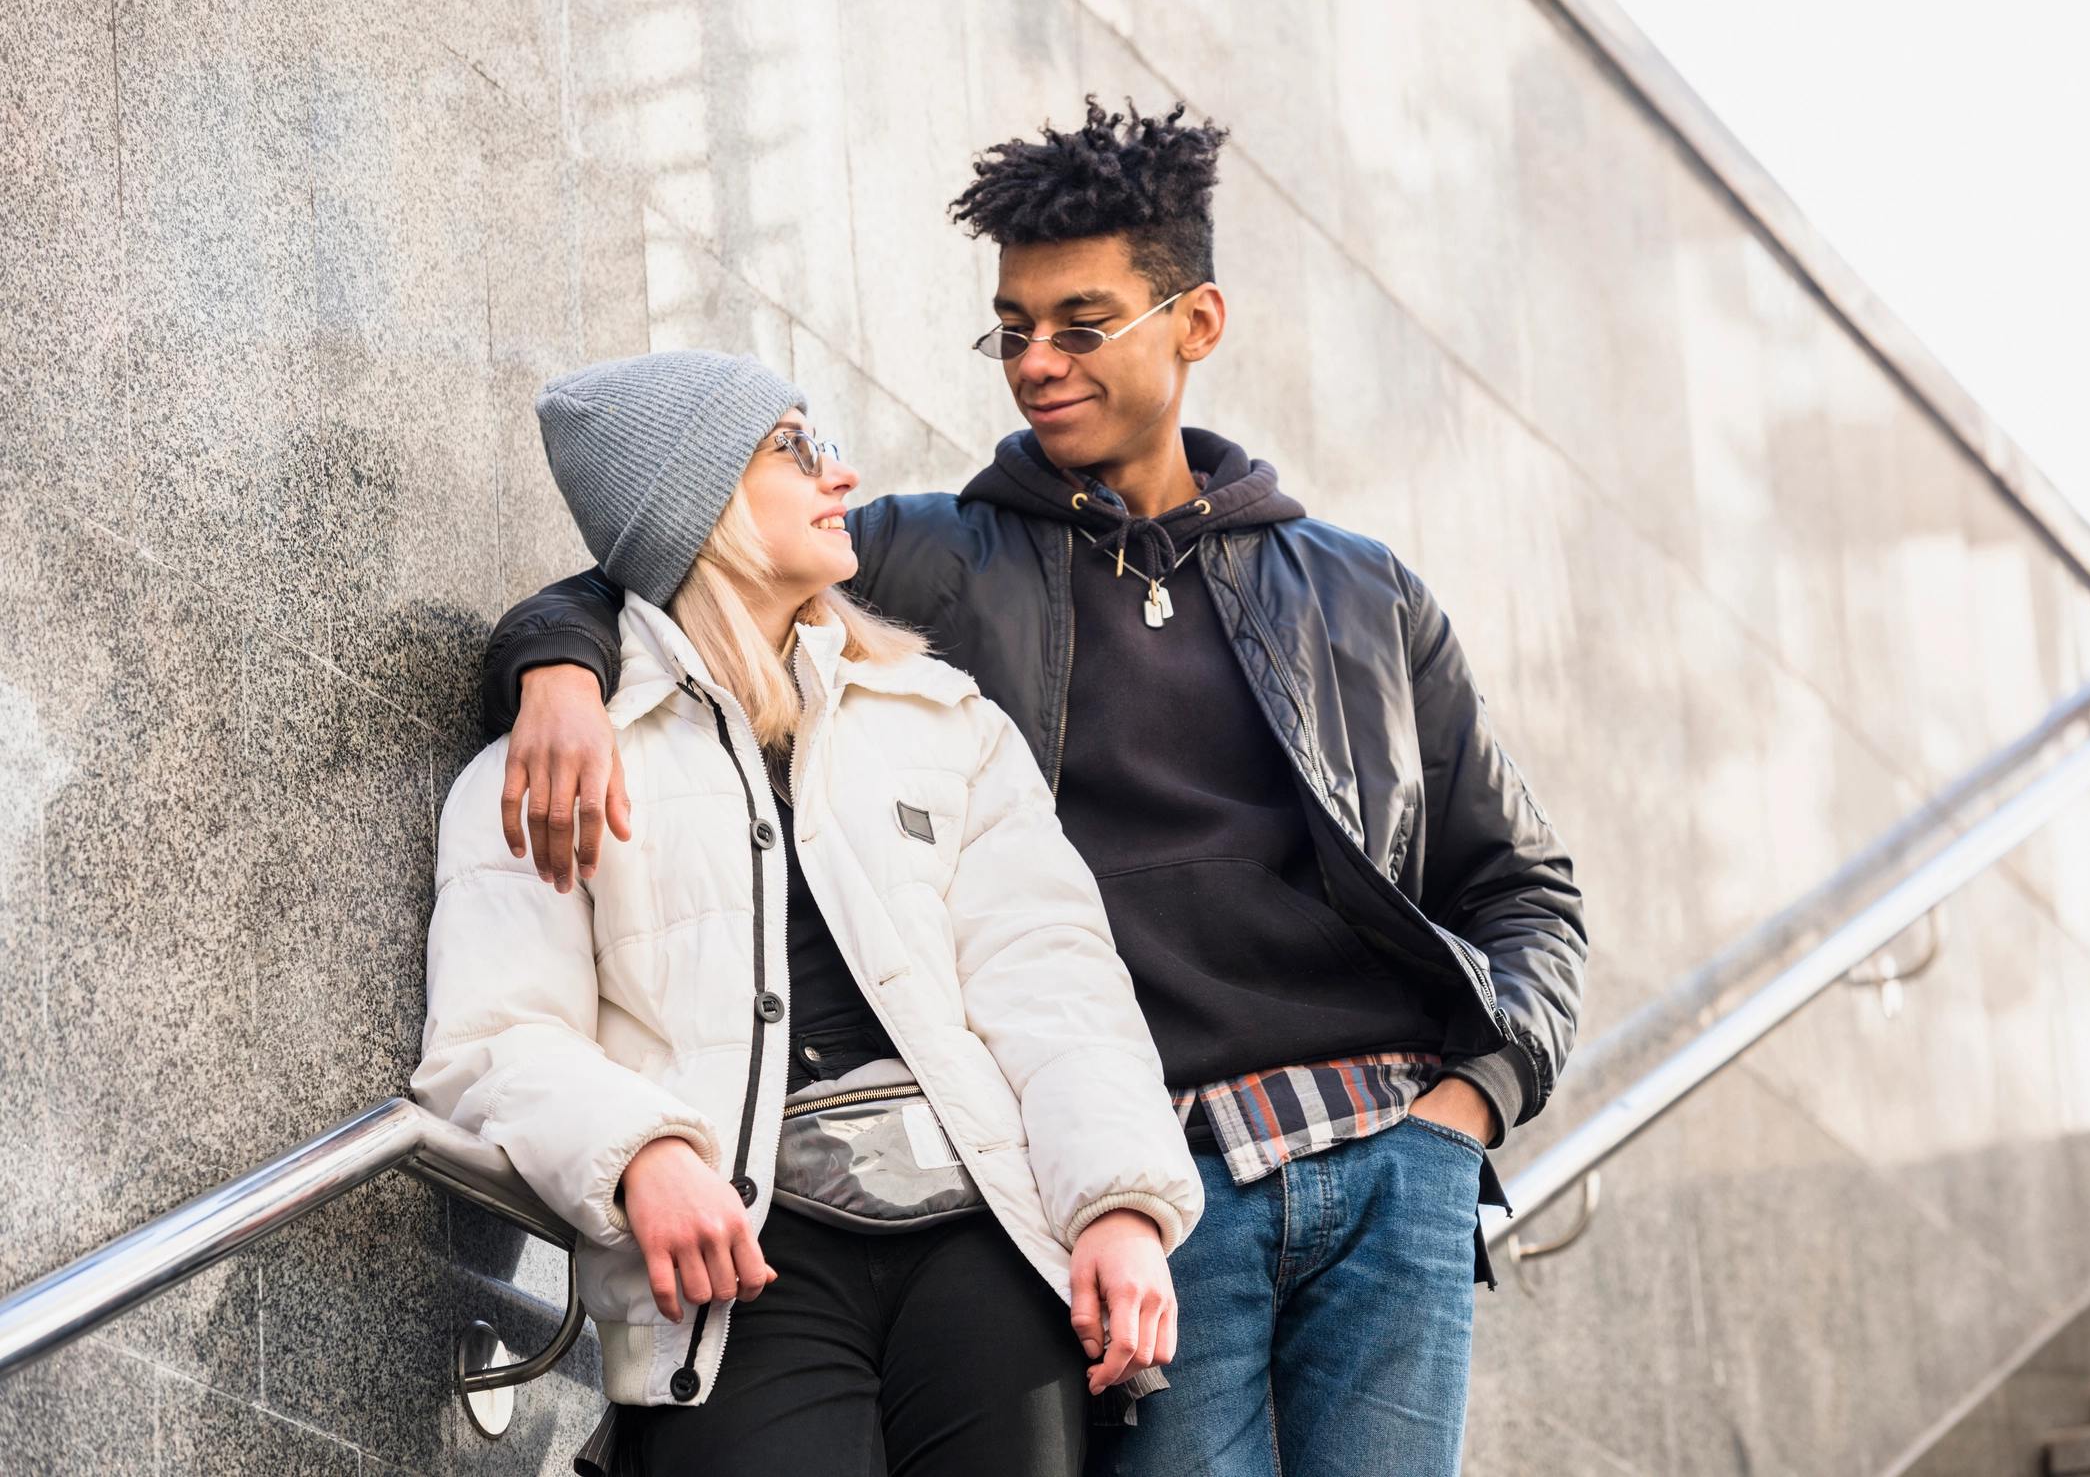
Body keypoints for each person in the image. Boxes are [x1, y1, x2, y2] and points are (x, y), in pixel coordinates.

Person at [476, 100, 1587, 1477]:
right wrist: (555, 671)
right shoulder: (927, 558)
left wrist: (1470, 1102)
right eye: (1011, 329)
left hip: (1388, 1149)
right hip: (1151, 1173)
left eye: (1080, 324)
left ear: (1196, 322)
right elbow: (664, 549)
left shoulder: (1361, 593)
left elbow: (1522, 885)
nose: (1036, 363)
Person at [416, 348, 1201, 1477]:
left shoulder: (946, 723)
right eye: (795, 448)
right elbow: (493, 1039)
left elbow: (1057, 983)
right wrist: (641, 1153)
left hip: (983, 1237)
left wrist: (1119, 1202)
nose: (843, 475)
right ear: (695, 501)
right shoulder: (547, 768)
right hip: (728, 1268)